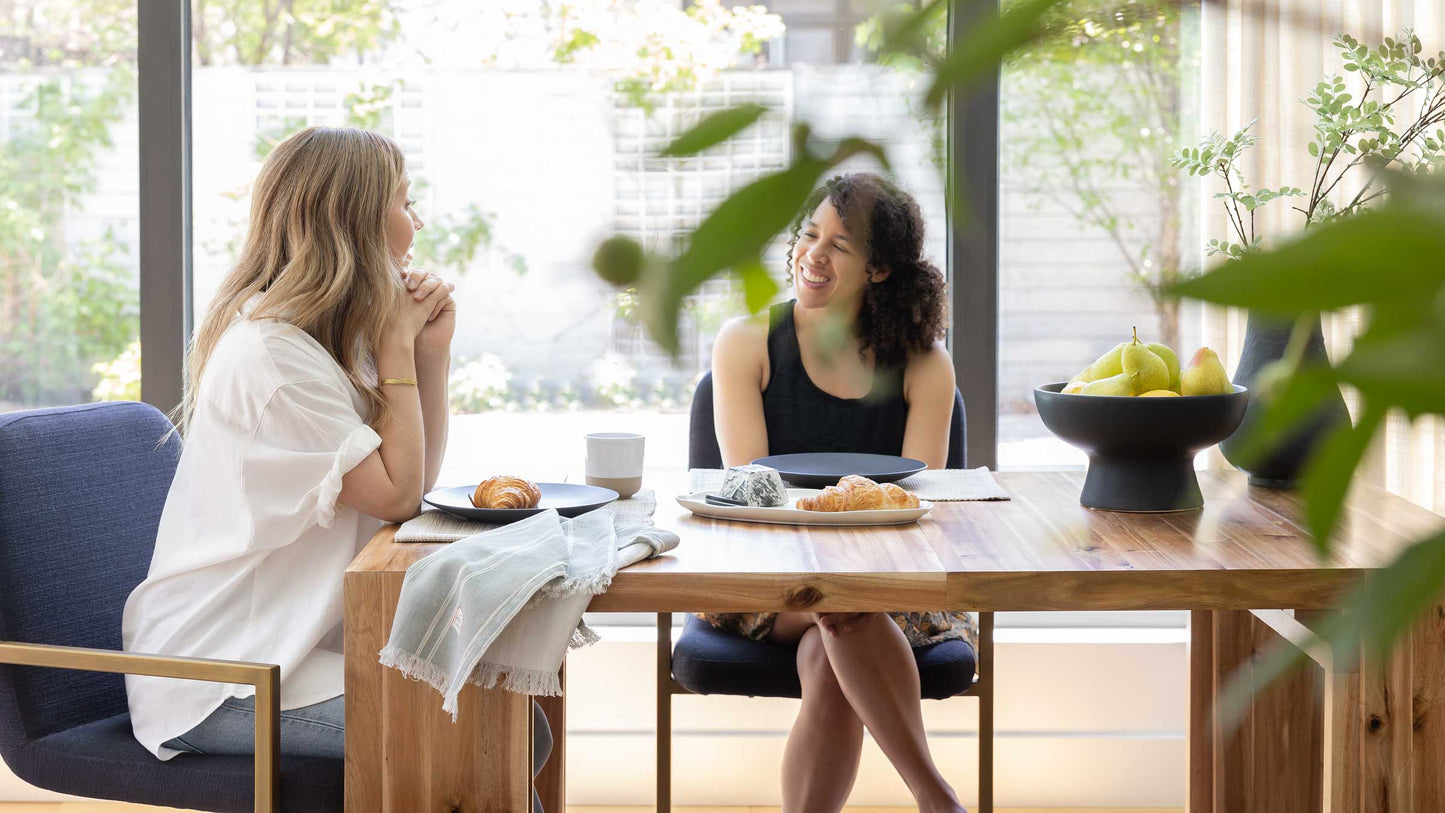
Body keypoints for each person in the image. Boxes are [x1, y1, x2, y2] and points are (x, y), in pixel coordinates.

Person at [120, 127, 552, 810]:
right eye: (406, 201)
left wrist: (427, 353)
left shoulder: (323, 343)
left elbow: (406, 484)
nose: (417, 222)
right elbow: (397, 492)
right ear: (356, 219)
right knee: (480, 731)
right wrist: (397, 347)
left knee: (511, 728)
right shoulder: (272, 356)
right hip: (220, 672)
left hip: (275, 650)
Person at [704, 172, 974, 813]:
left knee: (833, 642)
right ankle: (937, 798)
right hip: (766, 576)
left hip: (891, 582)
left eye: (840, 246)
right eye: (808, 234)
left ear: (878, 268)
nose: (813, 255)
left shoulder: (925, 363)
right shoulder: (745, 343)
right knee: (844, 609)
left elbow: (914, 502)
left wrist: (850, 572)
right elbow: (753, 490)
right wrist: (835, 563)